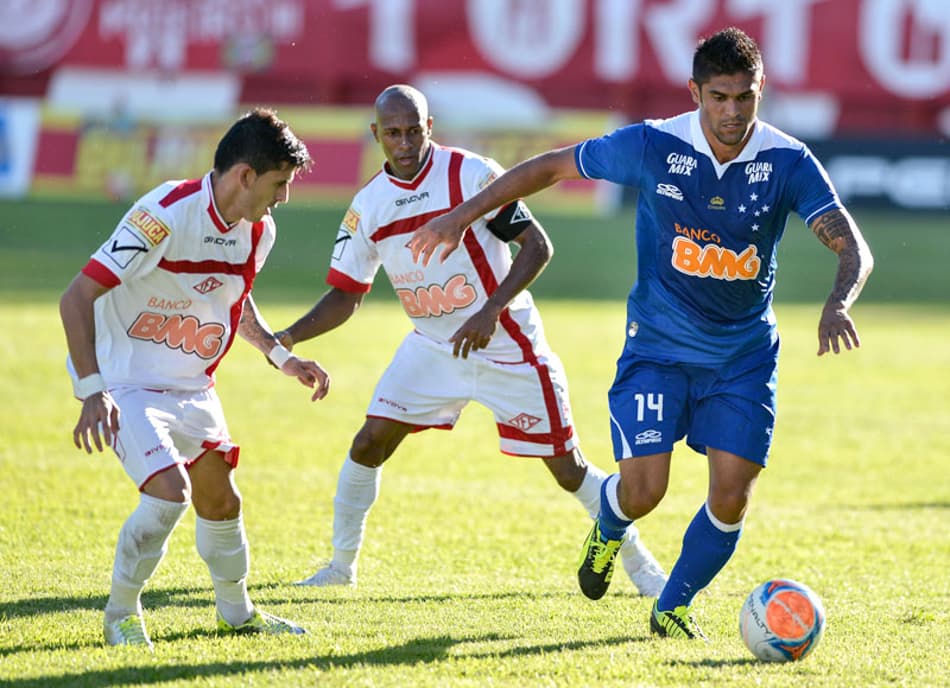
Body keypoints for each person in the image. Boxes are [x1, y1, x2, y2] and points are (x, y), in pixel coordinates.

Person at [408, 27, 873, 640]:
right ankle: (608, 528)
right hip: (657, 348)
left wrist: (839, 301)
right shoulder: (655, 145)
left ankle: (672, 605)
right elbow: (550, 167)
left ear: (761, 92)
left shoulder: (787, 159)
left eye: (745, 97)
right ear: (695, 93)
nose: (733, 112)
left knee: (732, 497)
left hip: (742, 358)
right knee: (644, 489)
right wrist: (460, 215)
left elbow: (851, 244)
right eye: (719, 97)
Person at [276, 84, 667, 596]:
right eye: (393, 133)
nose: (405, 142)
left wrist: (489, 310)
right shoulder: (367, 206)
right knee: (369, 443)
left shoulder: (471, 174)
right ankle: (340, 568)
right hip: (433, 347)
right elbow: (345, 296)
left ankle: (644, 570)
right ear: (376, 135)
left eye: (414, 130)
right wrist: (285, 336)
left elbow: (537, 246)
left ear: (429, 127)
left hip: (507, 343)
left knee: (568, 469)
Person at [59, 108, 331, 651]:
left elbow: (233, 298)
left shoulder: (259, 232)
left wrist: (280, 355)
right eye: (279, 184)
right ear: (245, 176)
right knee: (168, 494)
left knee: (222, 502)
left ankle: (237, 612)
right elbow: (77, 296)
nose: (283, 198)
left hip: (191, 382)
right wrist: (93, 391)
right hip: (126, 379)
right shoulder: (163, 214)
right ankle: (120, 614)